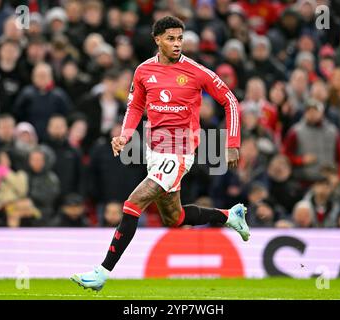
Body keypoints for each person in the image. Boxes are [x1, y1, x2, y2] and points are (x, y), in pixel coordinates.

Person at [71, 16, 249, 291]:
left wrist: (232, 142)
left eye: (180, 38)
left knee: (133, 203)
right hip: (154, 151)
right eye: (171, 38)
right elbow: (134, 107)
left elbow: (230, 102)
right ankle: (229, 216)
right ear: (157, 39)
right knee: (174, 218)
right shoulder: (143, 71)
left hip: (180, 151)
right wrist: (124, 136)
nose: (177, 44)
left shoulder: (196, 71)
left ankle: (102, 272)